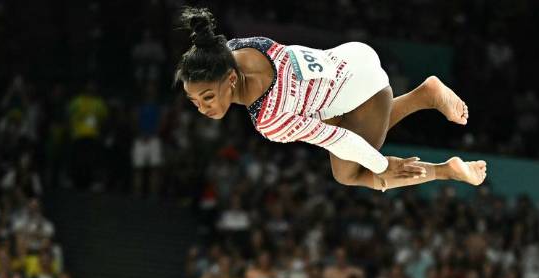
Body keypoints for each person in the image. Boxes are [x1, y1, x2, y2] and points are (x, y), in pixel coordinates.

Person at [174, 7, 487, 193]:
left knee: (348, 174)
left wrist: (381, 166)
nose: (203, 108)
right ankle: (424, 97)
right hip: (352, 54)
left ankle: (445, 165)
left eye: (208, 97)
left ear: (229, 80)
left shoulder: (270, 119)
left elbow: (339, 139)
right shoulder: (235, 49)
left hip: (366, 91)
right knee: (329, 119)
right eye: (195, 102)